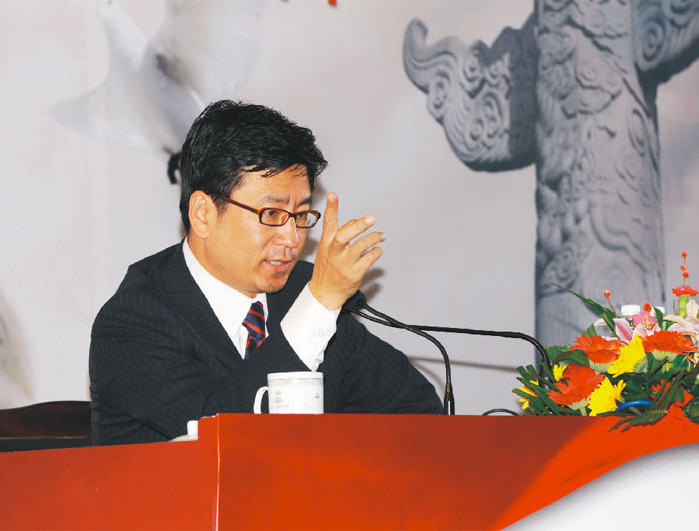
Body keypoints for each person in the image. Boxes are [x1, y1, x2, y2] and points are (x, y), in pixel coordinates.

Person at [89, 100, 442, 445]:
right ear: (203, 214)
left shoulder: (304, 291)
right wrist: (318, 307)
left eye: (300, 215)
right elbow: (220, 434)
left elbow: (416, 409)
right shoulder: (134, 321)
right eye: (272, 214)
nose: (292, 239)